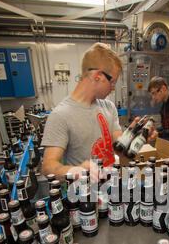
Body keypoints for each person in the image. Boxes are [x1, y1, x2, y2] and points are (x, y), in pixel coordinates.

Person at [41, 42, 157, 182]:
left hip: (111, 189)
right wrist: (77, 171)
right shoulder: (61, 115)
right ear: (97, 76)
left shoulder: (109, 107)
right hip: (85, 196)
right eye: (112, 81)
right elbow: (48, 167)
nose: (113, 88)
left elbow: (120, 151)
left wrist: (137, 137)